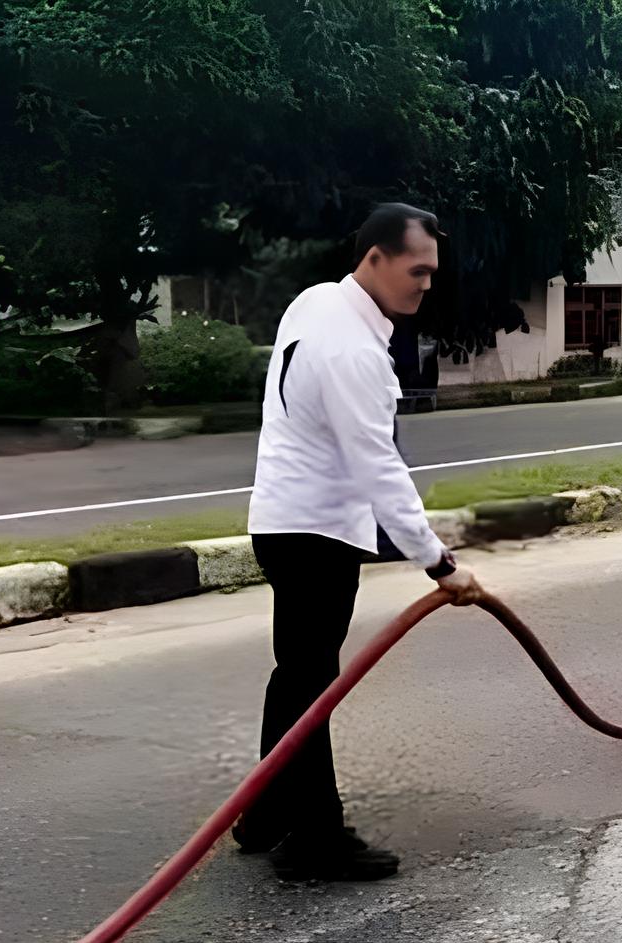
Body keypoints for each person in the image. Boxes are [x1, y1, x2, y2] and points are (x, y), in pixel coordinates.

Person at [241, 203, 483, 882]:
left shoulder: (316, 303)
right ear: (375, 258)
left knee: (297, 675)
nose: (427, 284)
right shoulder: (353, 351)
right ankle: (313, 837)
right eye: (418, 269)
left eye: (433, 272)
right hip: (314, 531)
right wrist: (440, 564)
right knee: (311, 683)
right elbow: (380, 469)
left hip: (284, 520)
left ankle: (263, 814)